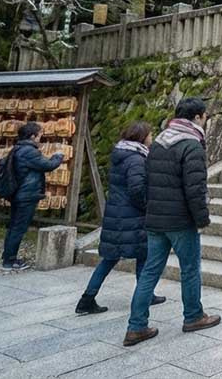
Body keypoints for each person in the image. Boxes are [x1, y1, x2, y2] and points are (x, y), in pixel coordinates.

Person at [123, 98, 220, 347]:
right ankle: (194, 316)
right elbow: (195, 188)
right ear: (197, 117)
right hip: (181, 220)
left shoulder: (158, 143)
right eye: (205, 116)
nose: (205, 121)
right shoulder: (191, 145)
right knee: (189, 269)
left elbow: (145, 182)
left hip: (156, 219)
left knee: (149, 272)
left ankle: (136, 326)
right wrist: (202, 218)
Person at [76, 121, 166, 314]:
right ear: (142, 137)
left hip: (117, 213)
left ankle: (87, 297)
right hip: (132, 216)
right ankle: (145, 295)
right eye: (150, 134)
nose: (152, 137)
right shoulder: (136, 159)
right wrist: (148, 206)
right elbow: (136, 189)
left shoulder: (120, 155)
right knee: (144, 255)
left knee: (110, 259)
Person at [1, 122, 64, 271]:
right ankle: (9, 261)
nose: (40, 138)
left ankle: (8, 256)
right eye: (40, 135)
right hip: (26, 194)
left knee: (14, 226)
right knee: (19, 228)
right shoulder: (29, 152)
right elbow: (47, 165)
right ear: (32, 136)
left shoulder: (18, 149)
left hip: (19, 193)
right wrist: (58, 156)